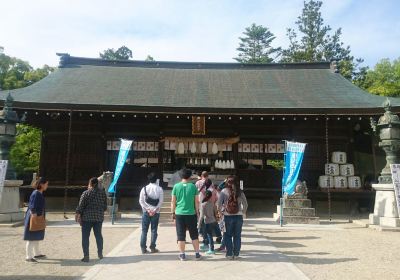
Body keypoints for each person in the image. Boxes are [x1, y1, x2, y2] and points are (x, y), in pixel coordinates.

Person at [171, 168, 201, 261]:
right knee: (194, 234)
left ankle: (182, 254)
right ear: (190, 176)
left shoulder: (176, 186)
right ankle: (197, 254)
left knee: (180, 235)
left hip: (179, 213)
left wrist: (172, 213)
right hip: (191, 213)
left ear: (180, 176)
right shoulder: (193, 186)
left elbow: (173, 201)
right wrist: (197, 212)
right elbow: (196, 201)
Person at [76, 177, 107, 262]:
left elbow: (81, 206)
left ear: (91, 184)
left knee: (85, 237)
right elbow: (105, 207)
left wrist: (78, 214)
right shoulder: (103, 193)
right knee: (98, 236)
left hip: (87, 218)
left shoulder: (86, 193)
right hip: (98, 218)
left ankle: (86, 256)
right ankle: (100, 253)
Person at [217, 175, 248, 260]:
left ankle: (229, 254)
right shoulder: (240, 192)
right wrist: (243, 212)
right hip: (238, 216)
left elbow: (218, 204)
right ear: (236, 182)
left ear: (227, 183)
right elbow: (246, 204)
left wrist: (220, 214)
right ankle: (236, 254)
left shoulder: (223, 191)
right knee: (237, 236)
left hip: (227, 216)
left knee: (227, 236)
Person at [24, 177, 49, 262]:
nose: (47, 186)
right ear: (41, 185)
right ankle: (28, 256)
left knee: (36, 236)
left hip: (37, 217)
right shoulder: (36, 193)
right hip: (34, 217)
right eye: (46, 184)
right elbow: (32, 206)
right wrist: (35, 217)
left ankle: (37, 253)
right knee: (31, 237)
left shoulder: (38, 193)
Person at [139, 172, 163, 254]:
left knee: (144, 230)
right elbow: (160, 202)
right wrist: (154, 210)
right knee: (154, 230)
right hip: (155, 212)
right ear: (156, 180)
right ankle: (153, 247)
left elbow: (141, 201)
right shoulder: (159, 189)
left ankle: (143, 248)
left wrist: (148, 209)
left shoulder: (144, 188)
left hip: (146, 212)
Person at [197, 190, 218, 255]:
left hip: (207, 222)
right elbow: (216, 212)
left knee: (209, 236)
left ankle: (211, 249)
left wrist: (199, 225)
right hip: (213, 221)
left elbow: (201, 216)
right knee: (210, 235)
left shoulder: (203, 204)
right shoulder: (212, 203)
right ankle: (208, 247)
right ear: (211, 196)